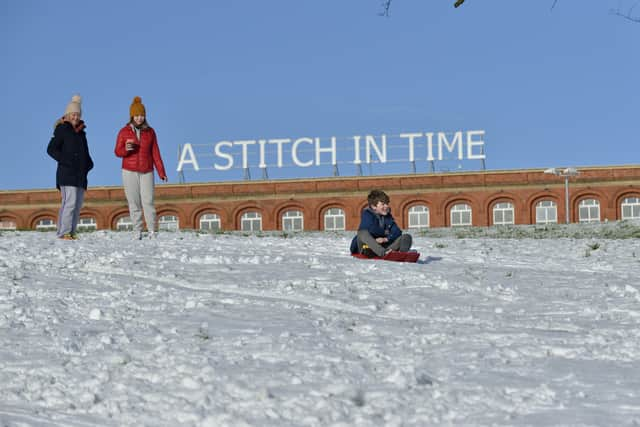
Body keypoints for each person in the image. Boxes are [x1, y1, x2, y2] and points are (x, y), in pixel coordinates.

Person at [114, 96, 167, 239]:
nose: (139, 118)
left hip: (147, 171)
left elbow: (156, 152)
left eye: (142, 115)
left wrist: (161, 171)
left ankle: (152, 230)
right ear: (132, 116)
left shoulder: (150, 132)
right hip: (129, 171)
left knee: (148, 201)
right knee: (134, 201)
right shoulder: (124, 131)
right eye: (137, 115)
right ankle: (137, 230)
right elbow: (117, 152)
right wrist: (126, 149)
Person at [47, 95, 94, 240]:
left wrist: (89, 164)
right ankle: (63, 232)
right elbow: (51, 149)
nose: (75, 117)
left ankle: (72, 232)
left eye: (78, 114)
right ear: (68, 115)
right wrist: (65, 160)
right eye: (73, 114)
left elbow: (85, 152)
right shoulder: (62, 129)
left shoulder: (81, 133)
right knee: (69, 202)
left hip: (80, 175)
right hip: (66, 174)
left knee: (78, 204)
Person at [349, 189, 412, 257]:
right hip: (366, 248)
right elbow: (371, 229)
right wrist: (385, 233)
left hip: (384, 247)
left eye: (387, 203)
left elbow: (397, 232)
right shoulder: (367, 215)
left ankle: (402, 254)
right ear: (374, 206)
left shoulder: (388, 217)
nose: (386, 206)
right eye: (383, 204)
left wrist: (386, 239)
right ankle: (383, 253)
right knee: (362, 233)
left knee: (406, 237)